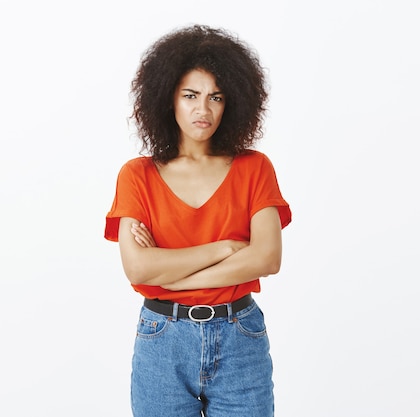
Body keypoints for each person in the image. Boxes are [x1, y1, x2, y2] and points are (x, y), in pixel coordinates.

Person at [104, 24, 291, 417]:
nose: (203, 110)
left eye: (215, 97)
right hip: (162, 342)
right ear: (167, 97)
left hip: (239, 336)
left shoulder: (254, 168)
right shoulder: (136, 175)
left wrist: (171, 276)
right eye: (190, 95)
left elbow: (267, 259)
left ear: (232, 103)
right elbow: (138, 268)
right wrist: (223, 249)